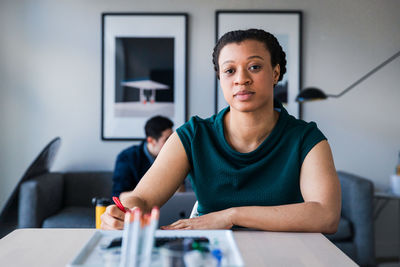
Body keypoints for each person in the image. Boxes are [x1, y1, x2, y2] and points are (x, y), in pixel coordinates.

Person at [102, 29, 341, 233]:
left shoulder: (306, 139)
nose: (242, 79)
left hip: (286, 253)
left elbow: (326, 215)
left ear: (275, 73)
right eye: (229, 70)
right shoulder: (193, 135)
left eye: (255, 67)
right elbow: (142, 197)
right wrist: (126, 210)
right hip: (212, 251)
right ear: (220, 78)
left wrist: (230, 216)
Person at [112, 115, 174, 197]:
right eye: (167, 140)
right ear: (151, 140)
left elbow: (182, 192)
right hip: (137, 208)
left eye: (173, 139)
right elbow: (118, 195)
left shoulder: (173, 157)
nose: (172, 144)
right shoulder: (127, 158)